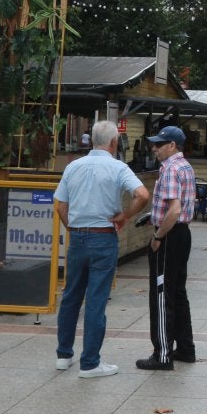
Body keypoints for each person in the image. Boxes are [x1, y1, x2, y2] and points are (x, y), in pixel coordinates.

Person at [53, 120, 150, 378]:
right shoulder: (118, 167)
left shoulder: (73, 166)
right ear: (114, 142)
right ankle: (90, 362)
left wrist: (72, 227)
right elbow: (142, 194)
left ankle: (64, 354)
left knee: (71, 295)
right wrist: (125, 215)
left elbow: (60, 204)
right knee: (96, 299)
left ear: (91, 140)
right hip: (103, 238)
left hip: (78, 238)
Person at [139, 125, 197, 371]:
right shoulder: (185, 167)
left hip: (170, 236)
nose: (155, 149)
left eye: (159, 144)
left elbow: (174, 209)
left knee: (162, 294)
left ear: (172, 145)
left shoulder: (171, 169)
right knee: (177, 292)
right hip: (183, 234)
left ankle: (162, 354)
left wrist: (157, 236)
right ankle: (185, 348)